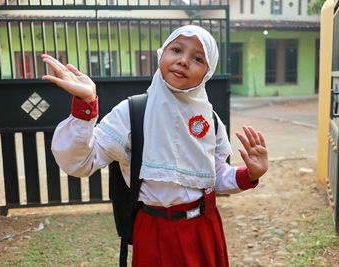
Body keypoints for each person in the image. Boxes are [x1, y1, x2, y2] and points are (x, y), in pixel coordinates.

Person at [44, 25, 268, 267]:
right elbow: (82, 162)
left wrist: (250, 174)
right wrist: (86, 104)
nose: (183, 61)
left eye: (197, 58)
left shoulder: (209, 119)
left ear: (207, 72)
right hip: (154, 231)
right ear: (162, 53)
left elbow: (215, 176)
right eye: (176, 50)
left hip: (204, 228)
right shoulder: (132, 112)